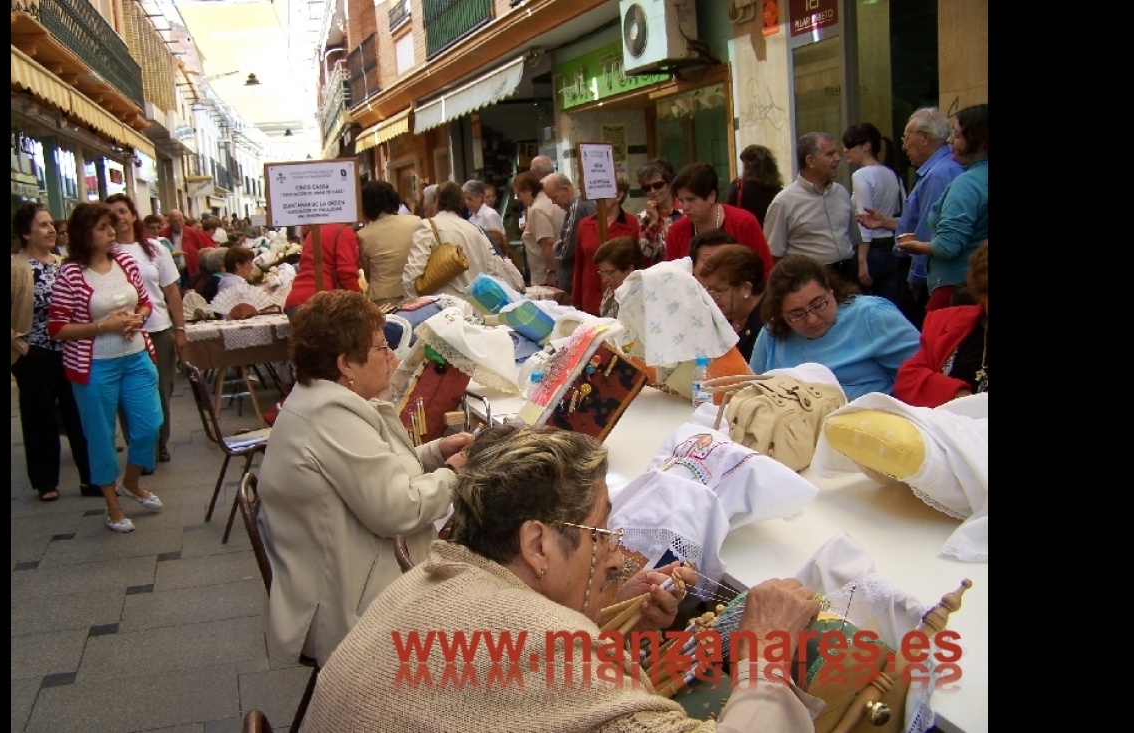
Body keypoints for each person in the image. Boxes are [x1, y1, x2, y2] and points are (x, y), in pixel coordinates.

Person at [301, 423, 824, 732]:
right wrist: (765, 655)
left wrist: (614, 618)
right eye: (602, 530)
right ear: (537, 545)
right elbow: (543, 663)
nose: (618, 556)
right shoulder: (543, 645)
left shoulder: (428, 581)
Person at [259, 290, 472, 667]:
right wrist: (454, 473)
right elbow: (397, 509)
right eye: (380, 349)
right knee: (491, 605)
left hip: (352, 575)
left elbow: (379, 470)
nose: (392, 358)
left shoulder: (324, 402)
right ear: (346, 365)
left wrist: (435, 453)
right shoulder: (330, 417)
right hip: (350, 604)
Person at [48, 203, 164, 533]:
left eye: (111, 225)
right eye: (102, 227)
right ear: (85, 234)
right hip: (94, 364)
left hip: (136, 356)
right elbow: (56, 328)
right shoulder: (71, 273)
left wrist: (138, 318)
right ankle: (112, 505)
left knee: (149, 424)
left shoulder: (125, 262)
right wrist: (103, 326)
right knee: (99, 435)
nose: (112, 232)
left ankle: (131, 481)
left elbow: (142, 301)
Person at [11, 202, 97, 501]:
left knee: (80, 414)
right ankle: (46, 481)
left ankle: (92, 478)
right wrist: (20, 346)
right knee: (40, 418)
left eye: (52, 225)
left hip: (70, 349)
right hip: (33, 353)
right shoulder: (16, 267)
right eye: (43, 225)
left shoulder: (64, 264)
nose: (51, 230)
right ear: (25, 233)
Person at [751, 254, 919, 401]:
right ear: (781, 314)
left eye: (818, 304)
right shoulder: (771, 333)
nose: (811, 319)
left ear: (830, 289)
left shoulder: (872, 316)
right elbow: (752, 390)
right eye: (797, 314)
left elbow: (922, 375)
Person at [856, 108, 964, 327]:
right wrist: (888, 222)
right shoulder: (938, 171)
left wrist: (915, 279)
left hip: (930, 278)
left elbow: (927, 233)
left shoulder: (937, 175)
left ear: (924, 138)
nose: (904, 146)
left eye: (907, 138)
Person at [107, 193, 187, 468]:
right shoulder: (106, 253)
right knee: (127, 394)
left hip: (158, 328)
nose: (118, 217)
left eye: (122, 211)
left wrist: (180, 329)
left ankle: (159, 442)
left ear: (132, 215)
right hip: (122, 333)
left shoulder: (154, 248)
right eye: (112, 213)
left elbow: (171, 291)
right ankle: (139, 448)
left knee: (161, 389)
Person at [892, 104, 988, 312]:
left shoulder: (963, 182)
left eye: (957, 135)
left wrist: (914, 248)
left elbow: (948, 246)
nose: (949, 140)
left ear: (979, 142)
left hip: (956, 289)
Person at [894, 241, 988, 408]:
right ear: (981, 292)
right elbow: (908, 378)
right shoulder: (948, 322)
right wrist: (957, 396)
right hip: (947, 424)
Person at [763, 133, 861, 283]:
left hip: (848, 275)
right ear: (810, 161)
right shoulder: (784, 202)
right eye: (830, 154)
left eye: (836, 153)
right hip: (811, 281)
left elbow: (853, 238)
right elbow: (774, 255)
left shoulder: (841, 192)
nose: (837, 158)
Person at [403, 181, 524, 299]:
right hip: (476, 306)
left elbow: (412, 274)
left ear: (437, 201)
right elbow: (493, 269)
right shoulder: (476, 229)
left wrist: (413, 302)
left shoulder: (427, 226)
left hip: (445, 309)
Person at [664, 162, 773, 278]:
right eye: (681, 201)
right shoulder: (676, 232)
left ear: (711, 196)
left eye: (691, 200)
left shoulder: (744, 223)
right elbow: (671, 278)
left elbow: (765, 271)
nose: (684, 207)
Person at [842, 123, 905, 312]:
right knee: (889, 309)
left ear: (866, 146)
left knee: (867, 309)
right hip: (892, 247)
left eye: (850, 145)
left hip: (872, 250)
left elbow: (864, 220)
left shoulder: (861, 175)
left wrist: (862, 260)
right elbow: (898, 209)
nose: (846, 151)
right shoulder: (892, 173)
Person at [571, 173, 640, 314]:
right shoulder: (585, 224)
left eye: (603, 193)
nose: (598, 199)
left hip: (621, 298)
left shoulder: (632, 224)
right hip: (590, 298)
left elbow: (638, 264)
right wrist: (576, 299)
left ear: (619, 195)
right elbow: (579, 264)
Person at [696, 242, 767, 362]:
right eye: (709, 289)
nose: (712, 297)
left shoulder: (768, 323)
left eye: (719, 290)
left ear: (746, 289)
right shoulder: (727, 316)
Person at [358, 180, 421, 308]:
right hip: (417, 292)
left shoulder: (363, 235)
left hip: (383, 298)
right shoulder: (416, 222)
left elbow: (368, 272)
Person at [285, 223, 361, 314]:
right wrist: (361, 302)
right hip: (323, 304)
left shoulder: (315, 231)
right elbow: (346, 274)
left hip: (294, 301)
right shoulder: (344, 231)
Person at [543, 172, 596, 294]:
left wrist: (557, 248)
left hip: (574, 276)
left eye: (554, 197)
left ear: (565, 189)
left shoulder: (576, 206)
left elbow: (568, 246)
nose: (554, 202)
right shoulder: (583, 204)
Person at [514, 170, 561, 288]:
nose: (519, 200)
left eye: (518, 194)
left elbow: (547, 243)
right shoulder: (546, 202)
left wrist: (550, 272)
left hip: (545, 276)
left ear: (527, 190)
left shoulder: (538, 209)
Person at [636, 157, 683, 267]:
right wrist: (653, 223)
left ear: (669, 183)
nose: (653, 191)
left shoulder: (685, 211)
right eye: (647, 188)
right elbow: (646, 254)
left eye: (658, 185)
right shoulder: (643, 217)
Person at [725, 144, 784, 227]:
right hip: (773, 238)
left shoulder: (739, 188)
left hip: (745, 238)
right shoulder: (780, 192)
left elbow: (728, 217)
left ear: (748, 165)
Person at [591, 235, 638, 319]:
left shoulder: (641, 300)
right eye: (602, 274)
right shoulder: (609, 294)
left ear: (629, 268)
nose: (604, 280)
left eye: (609, 273)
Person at [160, 209, 214, 280]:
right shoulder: (163, 234)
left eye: (180, 220)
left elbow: (199, 248)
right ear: (169, 222)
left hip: (189, 271)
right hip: (171, 272)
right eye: (175, 221)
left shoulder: (190, 232)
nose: (178, 223)